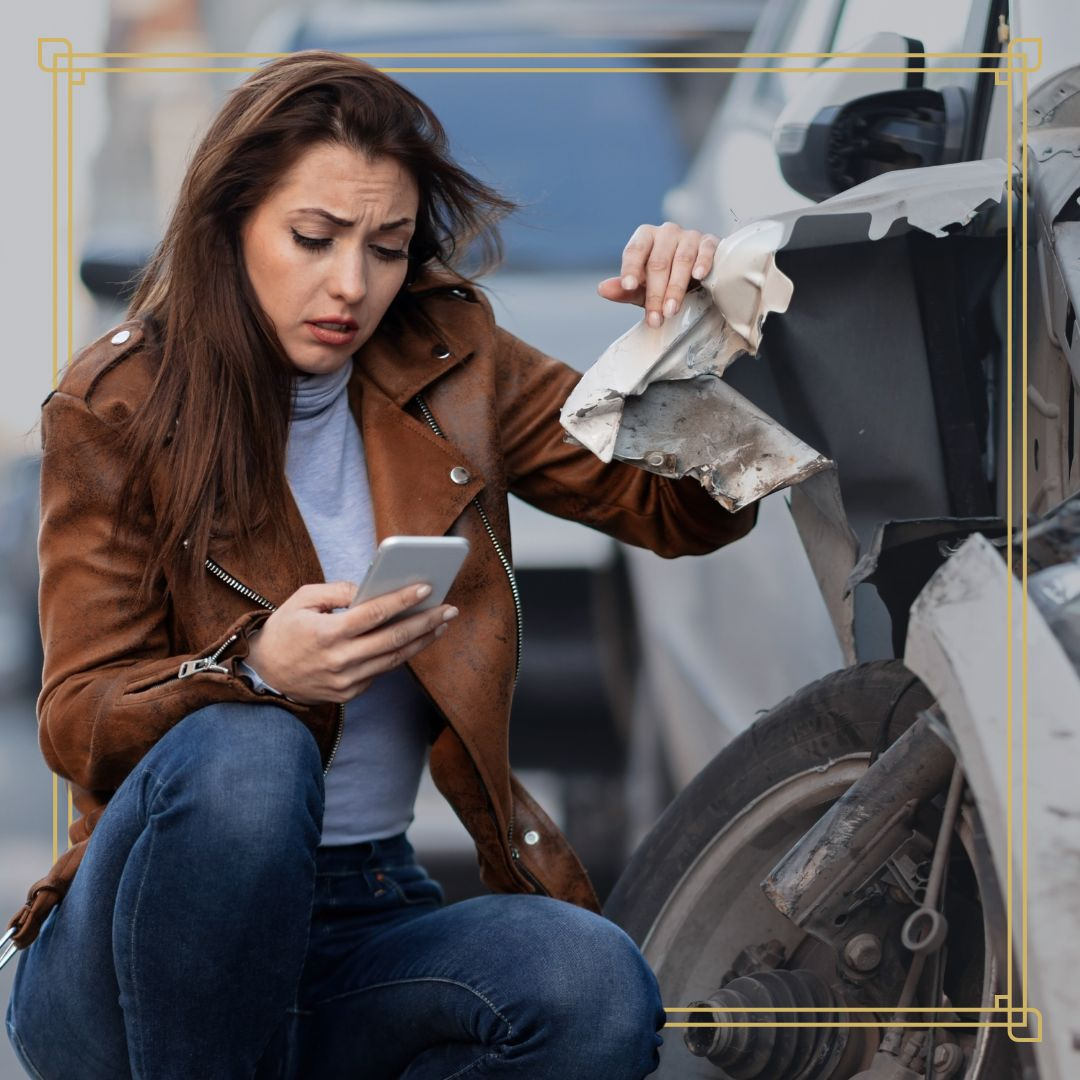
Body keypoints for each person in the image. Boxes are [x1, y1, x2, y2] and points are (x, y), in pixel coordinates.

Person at [4, 51, 757, 1079]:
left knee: (592, 988)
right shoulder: (119, 402)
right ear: (230, 228)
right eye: (312, 239)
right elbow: (76, 715)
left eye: (388, 248)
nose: (351, 285)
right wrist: (262, 668)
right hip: (136, 953)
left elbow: (681, 513)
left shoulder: (452, 358)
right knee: (252, 754)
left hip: (364, 917)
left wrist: (692, 343)